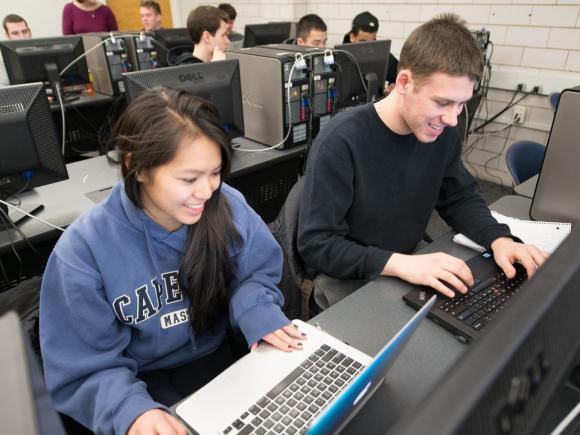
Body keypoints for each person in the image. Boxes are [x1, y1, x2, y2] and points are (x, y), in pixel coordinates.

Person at [40, 87, 305, 435]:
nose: (207, 191)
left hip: (221, 361)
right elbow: (86, 367)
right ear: (137, 168)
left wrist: (255, 309)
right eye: (189, 178)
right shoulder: (83, 252)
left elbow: (256, 272)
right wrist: (130, 412)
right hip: (140, 382)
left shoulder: (226, 204)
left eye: (215, 172)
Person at [297, 14, 548, 311]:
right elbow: (317, 245)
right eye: (442, 102)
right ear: (404, 82)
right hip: (348, 278)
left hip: (407, 261)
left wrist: (499, 239)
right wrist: (400, 264)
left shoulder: (441, 131)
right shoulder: (341, 141)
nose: (453, 118)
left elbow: (459, 197)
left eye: (461, 103)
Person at [341, 11, 398, 89]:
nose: (367, 47)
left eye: (372, 42)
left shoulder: (380, 52)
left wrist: (394, 84)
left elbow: (399, 73)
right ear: (352, 37)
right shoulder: (340, 56)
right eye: (362, 42)